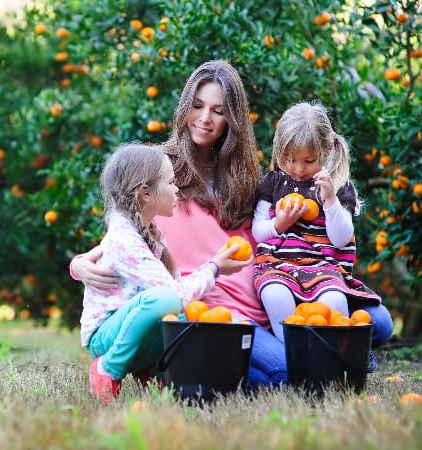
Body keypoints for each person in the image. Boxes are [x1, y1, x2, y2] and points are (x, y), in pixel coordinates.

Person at [70, 60, 290, 388]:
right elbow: (123, 237)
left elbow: (263, 245)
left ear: (233, 118)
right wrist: (78, 266)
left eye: (218, 110)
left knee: (291, 370)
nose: (204, 119)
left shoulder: (244, 179)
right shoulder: (159, 169)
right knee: (278, 378)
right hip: (191, 306)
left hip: (243, 307)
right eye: (197, 106)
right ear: (185, 106)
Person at [79, 143, 250, 404]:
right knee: (165, 301)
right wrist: (214, 269)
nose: (177, 189)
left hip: (130, 328)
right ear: (145, 194)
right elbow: (173, 295)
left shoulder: (152, 234)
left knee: (193, 320)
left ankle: (150, 370)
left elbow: (177, 291)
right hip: (105, 337)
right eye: (170, 183)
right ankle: (107, 369)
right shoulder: (125, 240)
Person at [251, 101, 393, 347]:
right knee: (274, 295)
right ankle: (293, 354)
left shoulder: (337, 185)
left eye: (308, 161)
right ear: (278, 149)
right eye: (289, 159)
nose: (298, 169)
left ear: (326, 151)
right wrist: (279, 224)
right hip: (278, 266)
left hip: (323, 269)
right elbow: (258, 231)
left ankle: (329, 356)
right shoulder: (274, 183)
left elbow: (341, 239)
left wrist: (330, 200)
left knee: (335, 303)